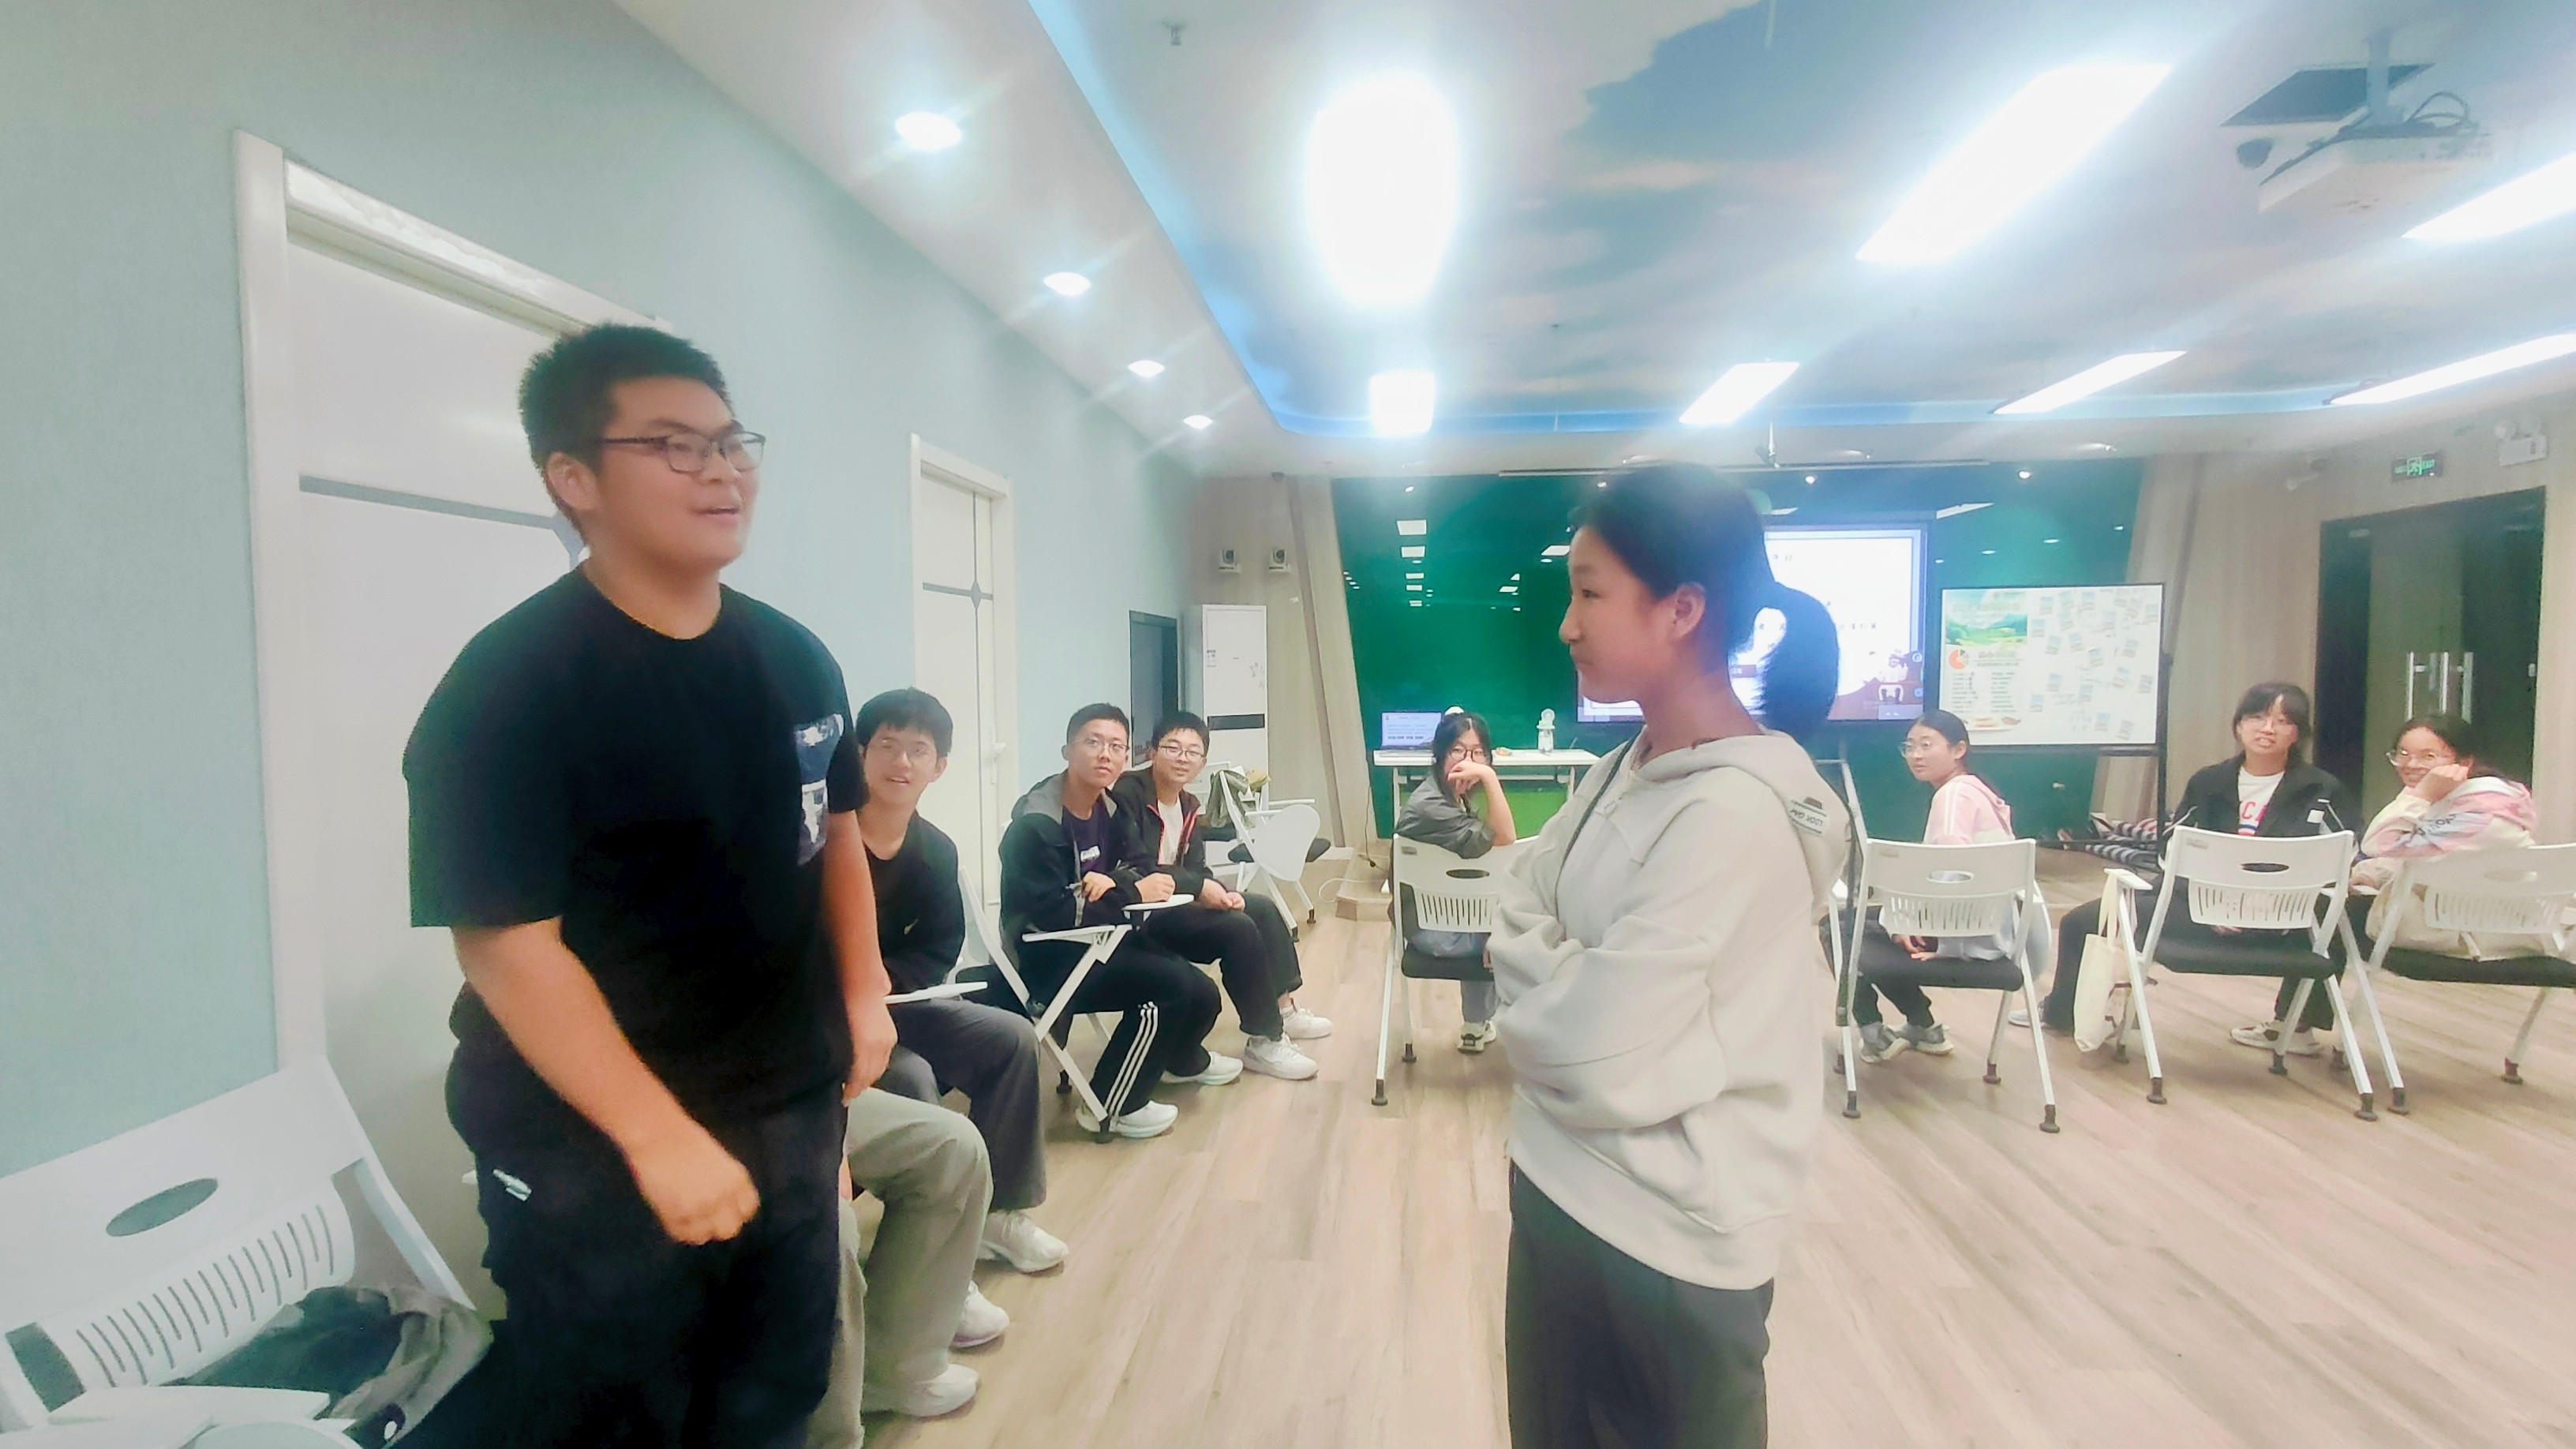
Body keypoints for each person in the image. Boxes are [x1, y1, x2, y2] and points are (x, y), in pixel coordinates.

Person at [404, 324, 893, 1445]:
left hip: (787, 1103)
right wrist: (654, 1136)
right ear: (572, 479)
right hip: (590, 1140)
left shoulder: (795, 657)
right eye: (675, 445)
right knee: (620, 1419)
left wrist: (866, 993)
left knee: (773, 1402)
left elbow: (837, 837)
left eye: (732, 442)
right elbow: (507, 945)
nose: (722, 471)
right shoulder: (510, 688)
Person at [1488, 464, 1850, 1449]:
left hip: (1669, 1244)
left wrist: (1555, 986)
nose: (1567, 625)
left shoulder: (1735, 814)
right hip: (1560, 1189)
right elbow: (1514, 901)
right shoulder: (1625, 768)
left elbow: (1592, 1050)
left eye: (1590, 593)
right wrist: (1570, 979)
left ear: (1683, 610)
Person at [850, 687, 1068, 1282]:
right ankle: (933, 1260)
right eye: (887, 746)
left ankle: (999, 1214)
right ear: (860, 754)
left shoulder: (935, 851)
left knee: (1012, 1038)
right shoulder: (821, 841)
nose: (901, 762)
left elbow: (940, 946)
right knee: (910, 1078)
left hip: (901, 1002)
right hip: (831, 1014)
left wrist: (886, 980)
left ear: (939, 766)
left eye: (918, 750)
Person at [2031, 683, 2356, 1046]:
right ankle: (2062, 1015)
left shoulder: (2322, 790)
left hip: (2280, 918)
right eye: (2257, 717)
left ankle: (2294, 1027)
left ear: (2299, 733)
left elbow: (2342, 858)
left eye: (2283, 721)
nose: (2267, 729)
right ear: (2238, 725)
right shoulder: (2209, 782)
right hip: (2201, 909)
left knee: (2335, 916)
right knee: (2081, 921)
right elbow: (2171, 851)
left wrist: (2255, 902)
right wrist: (2211, 900)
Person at [998, 704, 1229, 1140]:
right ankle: (1111, 1105)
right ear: (1067, 750)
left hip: (1102, 940)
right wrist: (1131, 893)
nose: (1105, 754)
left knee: (1202, 992)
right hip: (1050, 957)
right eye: (1093, 742)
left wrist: (1114, 883)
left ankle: (1172, 1064)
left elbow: (1139, 864)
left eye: (1117, 746)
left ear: (1126, 757)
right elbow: (1054, 913)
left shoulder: (1111, 808)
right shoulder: (1037, 824)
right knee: (1172, 989)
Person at [1112, 711, 1332, 1081]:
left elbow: (1198, 870)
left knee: (1259, 907)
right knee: (1237, 929)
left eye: (1193, 752)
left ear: (1203, 762)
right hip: (1141, 914)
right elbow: (1137, 865)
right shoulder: (1128, 796)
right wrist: (1200, 889)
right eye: (1172, 748)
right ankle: (1265, 1039)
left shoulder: (1187, 805)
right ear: (1152, 752)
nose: (1182, 758)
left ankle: (1284, 1010)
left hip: (1176, 905)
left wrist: (1217, 893)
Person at [807, 1088, 995, 1446]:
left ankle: (893, 1367)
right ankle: (830, 1437)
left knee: (954, 1147)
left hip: (800, 1089)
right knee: (829, 1225)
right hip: (707, 1113)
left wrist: (829, 1120)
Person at [1852, 709, 2022, 1064]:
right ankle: (1923, 1027)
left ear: (1959, 750)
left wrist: (1909, 926)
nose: (1916, 755)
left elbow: (1952, 874)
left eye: (1927, 745)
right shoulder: (1980, 791)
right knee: (1865, 924)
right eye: (1910, 746)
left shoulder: (1953, 797)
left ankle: (1877, 1033)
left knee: (1839, 930)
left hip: (1961, 934)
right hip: (1996, 932)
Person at [2353, 714, 2539, 957]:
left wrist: (2420, 794)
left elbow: (2379, 844)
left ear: (2464, 762)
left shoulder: (2483, 813)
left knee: (2342, 917)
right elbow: (2427, 858)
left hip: (2483, 938)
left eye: (2428, 756)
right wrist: (2371, 873)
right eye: (2403, 754)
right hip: (2464, 924)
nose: (2410, 764)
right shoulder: (2455, 800)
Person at [1394, 709, 1519, 1052]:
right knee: (1537, 934)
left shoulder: (1447, 793)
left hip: (1451, 918)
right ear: (1440, 754)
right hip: (1434, 930)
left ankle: (1476, 1025)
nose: (1469, 762)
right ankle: (1529, 1031)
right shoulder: (1430, 807)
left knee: (1492, 908)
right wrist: (1489, 778)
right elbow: (1506, 837)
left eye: (1478, 753)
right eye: (1458, 751)